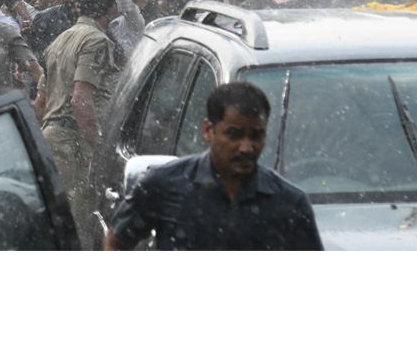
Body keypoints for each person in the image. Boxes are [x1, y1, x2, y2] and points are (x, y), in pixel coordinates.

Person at [105, 82, 324, 250]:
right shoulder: (163, 186)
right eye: (234, 134)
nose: (247, 148)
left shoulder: (290, 203)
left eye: (257, 136)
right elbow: (116, 243)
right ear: (209, 130)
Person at [35, 0, 118, 234]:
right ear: (111, 8)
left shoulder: (60, 39)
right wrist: (102, 150)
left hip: (53, 139)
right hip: (73, 144)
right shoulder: (96, 41)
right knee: (78, 224)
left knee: (61, 222)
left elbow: (40, 102)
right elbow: (81, 100)